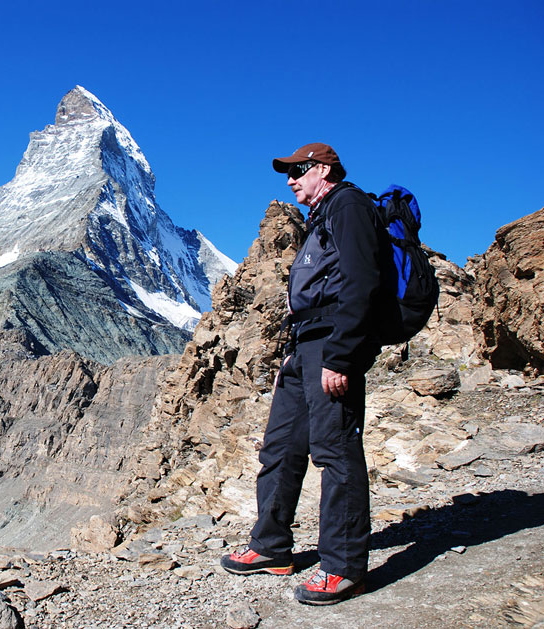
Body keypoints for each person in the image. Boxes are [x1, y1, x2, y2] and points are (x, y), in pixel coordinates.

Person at [221, 142, 384, 605]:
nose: (290, 180)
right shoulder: (322, 215)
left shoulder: (349, 206)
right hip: (304, 346)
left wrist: (342, 354)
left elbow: (361, 281)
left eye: (299, 171)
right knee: (280, 446)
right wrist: (291, 358)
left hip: (331, 344)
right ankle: (271, 547)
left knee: (335, 450)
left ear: (325, 170)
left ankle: (344, 567)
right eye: (288, 173)